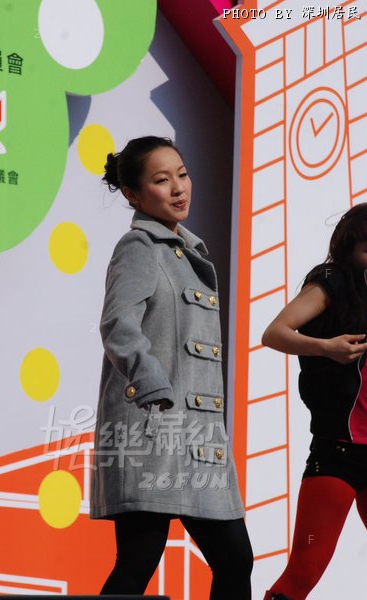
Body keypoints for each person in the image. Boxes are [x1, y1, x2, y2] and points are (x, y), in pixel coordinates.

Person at [90, 136, 253, 599]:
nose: (179, 188)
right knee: (139, 558)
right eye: (162, 180)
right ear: (133, 194)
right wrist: (152, 385)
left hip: (198, 439)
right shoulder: (138, 246)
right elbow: (118, 324)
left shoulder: (187, 253)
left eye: (182, 174)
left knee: (235, 559)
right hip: (153, 430)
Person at [262, 203, 367, 600]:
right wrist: (327, 347)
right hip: (339, 451)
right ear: (347, 250)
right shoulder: (330, 283)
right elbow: (275, 333)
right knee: (304, 572)